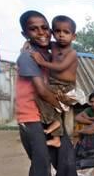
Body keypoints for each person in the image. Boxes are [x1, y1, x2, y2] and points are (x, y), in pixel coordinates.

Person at [15, 10, 84, 176]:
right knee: (41, 159)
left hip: (51, 111)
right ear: (24, 33)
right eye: (33, 29)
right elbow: (43, 91)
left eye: (44, 27)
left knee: (66, 154)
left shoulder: (50, 52)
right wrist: (62, 106)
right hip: (32, 115)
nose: (41, 32)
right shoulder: (27, 57)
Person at [29, 15, 79, 148]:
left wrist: (42, 62)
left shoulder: (72, 52)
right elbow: (38, 42)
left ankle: (55, 123)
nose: (61, 35)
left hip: (65, 86)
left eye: (66, 32)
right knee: (46, 100)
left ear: (73, 36)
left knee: (43, 94)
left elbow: (61, 67)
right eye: (58, 31)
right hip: (54, 84)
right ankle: (56, 137)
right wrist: (28, 44)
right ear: (52, 33)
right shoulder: (54, 46)